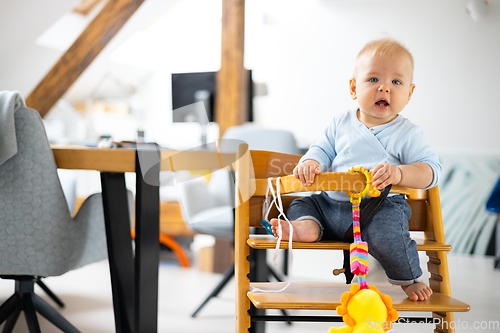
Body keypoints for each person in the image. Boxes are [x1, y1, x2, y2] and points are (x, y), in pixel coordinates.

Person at [269, 38, 441, 302]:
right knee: (303, 203)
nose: (385, 87)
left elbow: (431, 170)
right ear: (353, 88)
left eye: (396, 82)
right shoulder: (340, 123)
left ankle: (409, 279)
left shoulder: (408, 133)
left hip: (378, 209)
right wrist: (311, 162)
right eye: (373, 79)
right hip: (329, 205)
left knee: (388, 235)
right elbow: (322, 150)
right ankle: (306, 228)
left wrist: (400, 173)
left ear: (410, 93)